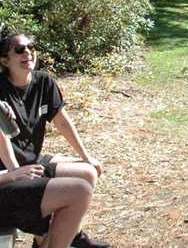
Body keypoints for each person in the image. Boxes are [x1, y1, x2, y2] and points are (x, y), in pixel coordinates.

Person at [0, 34, 110, 248]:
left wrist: (86, 157)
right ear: (5, 60)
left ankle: (71, 234)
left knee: (88, 172)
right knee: (79, 190)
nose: (28, 52)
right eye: (20, 49)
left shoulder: (43, 81)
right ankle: (47, 240)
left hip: (30, 160)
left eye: (31, 47)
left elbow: (62, 121)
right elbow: (1, 137)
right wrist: (15, 173)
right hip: (8, 172)